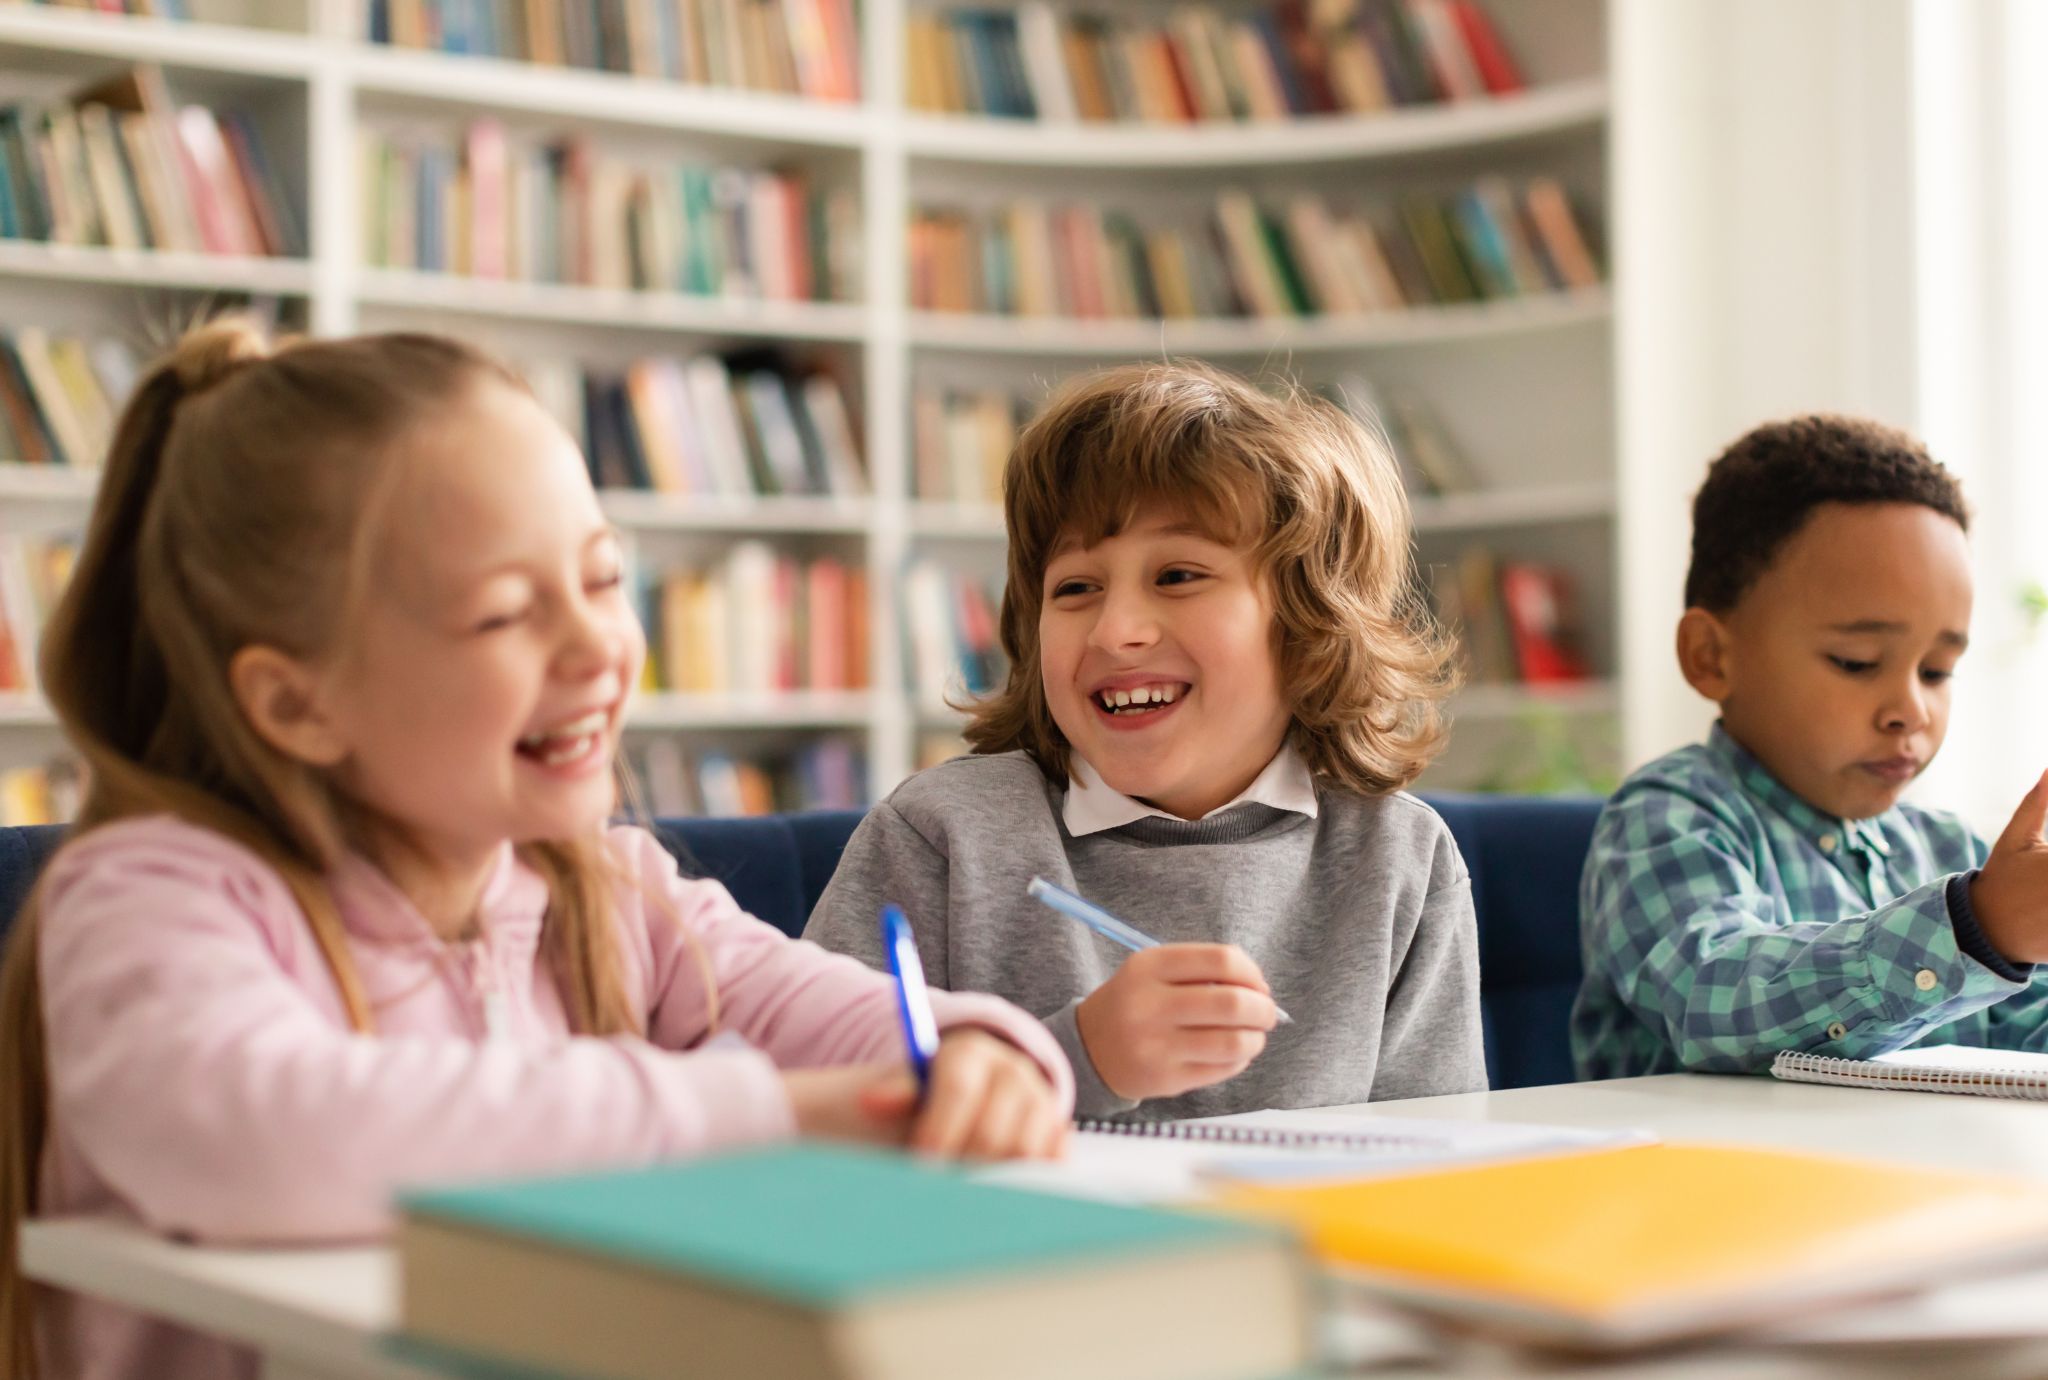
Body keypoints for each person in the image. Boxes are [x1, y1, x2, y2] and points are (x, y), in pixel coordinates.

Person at [0, 321, 1073, 1380]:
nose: (598, 644)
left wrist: (980, 1053)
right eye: (506, 613)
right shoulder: (148, 896)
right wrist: (768, 1114)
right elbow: (262, 1139)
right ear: (295, 701)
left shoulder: (608, 890)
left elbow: (826, 1009)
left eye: (605, 581)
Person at [806, 361, 1484, 1121]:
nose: (1116, 630)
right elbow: (813, 1111)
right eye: (1075, 588)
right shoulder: (941, 837)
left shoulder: (1401, 855)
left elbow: (1437, 1149)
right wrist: (1080, 1058)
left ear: (1311, 625)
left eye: (1179, 575)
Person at [1573, 414, 2048, 1079]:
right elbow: (1713, 1003)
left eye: (1937, 671)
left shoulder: (1948, 851)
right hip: (1711, 1179)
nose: (1911, 709)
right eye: (1856, 661)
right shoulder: (1667, 821)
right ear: (1712, 657)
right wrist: (1975, 929)